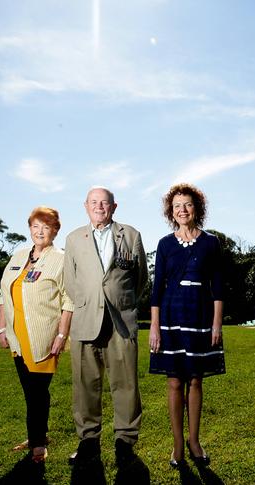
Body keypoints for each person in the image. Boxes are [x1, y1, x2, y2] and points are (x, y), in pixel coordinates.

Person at [64, 186, 148, 469]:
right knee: (85, 386)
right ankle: (88, 440)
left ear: (114, 207)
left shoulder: (131, 235)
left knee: (125, 386)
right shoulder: (74, 239)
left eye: (105, 203)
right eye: (94, 202)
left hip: (121, 322)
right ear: (85, 206)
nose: (100, 207)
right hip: (86, 321)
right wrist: (91, 303)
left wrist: (120, 302)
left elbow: (140, 279)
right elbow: (71, 282)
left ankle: (125, 442)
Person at [149, 183, 225, 468]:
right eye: (177, 206)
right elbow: (156, 290)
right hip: (170, 317)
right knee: (174, 381)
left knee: (195, 379)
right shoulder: (165, 244)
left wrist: (216, 324)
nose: (182, 210)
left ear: (197, 209)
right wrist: (155, 327)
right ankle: (178, 445)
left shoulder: (211, 243)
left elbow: (218, 287)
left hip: (201, 316)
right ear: (171, 211)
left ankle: (194, 441)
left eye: (188, 205)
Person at [0, 206, 74, 463]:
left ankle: (38, 445)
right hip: (18, 335)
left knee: (38, 391)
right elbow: (3, 294)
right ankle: (37, 435)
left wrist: (61, 335)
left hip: (43, 336)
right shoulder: (18, 255)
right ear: (30, 228)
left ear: (55, 231)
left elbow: (69, 300)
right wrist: (2, 327)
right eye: (36, 226)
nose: (40, 232)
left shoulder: (61, 259)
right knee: (30, 391)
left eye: (46, 227)